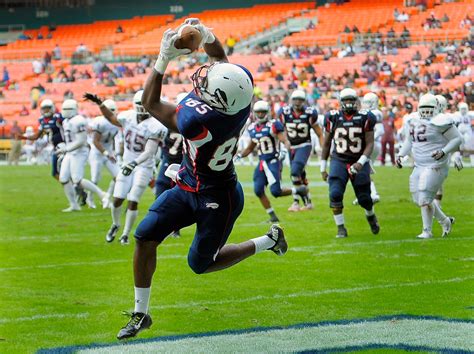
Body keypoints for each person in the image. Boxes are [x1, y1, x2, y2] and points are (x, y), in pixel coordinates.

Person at [116, 18, 287, 340]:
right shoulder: (240, 95)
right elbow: (220, 60)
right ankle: (141, 313)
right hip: (187, 184)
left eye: (207, 84)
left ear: (216, 99)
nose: (203, 78)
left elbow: (150, 103)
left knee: (201, 264)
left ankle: (268, 241)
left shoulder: (197, 120)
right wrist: (207, 35)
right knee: (144, 236)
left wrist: (163, 58)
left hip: (217, 196)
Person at [84, 90, 167, 245]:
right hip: (128, 163)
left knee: (133, 199)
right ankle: (115, 224)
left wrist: (134, 163)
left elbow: (149, 152)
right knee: (117, 199)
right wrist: (100, 104)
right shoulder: (127, 117)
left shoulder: (156, 125)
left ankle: (125, 234)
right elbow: (111, 118)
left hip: (143, 166)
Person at [396, 94, 462, 239]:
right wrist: (401, 154)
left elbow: (457, 138)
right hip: (419, 164)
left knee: (424, 198)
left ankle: (427, 231)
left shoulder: (442, 121)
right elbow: (409, 141)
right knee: (418, 198)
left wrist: (444, 151)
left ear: (436, 108)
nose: (426, 111)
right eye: (423, 108)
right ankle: (445, 221)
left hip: (436, 164)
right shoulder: (412, 119)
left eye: (429, 108)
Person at [320, 88, 380, 238]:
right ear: (340, 102)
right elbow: (326, 144)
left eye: (351, 100)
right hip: (339, 160)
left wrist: (361, 162)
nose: (348, 103)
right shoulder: (332, 117)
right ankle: (340, 227)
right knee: (335, 194)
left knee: (364, 198)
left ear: (356, 101)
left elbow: (370, 143)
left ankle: (370, 215)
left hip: (358, 159)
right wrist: (323, 167)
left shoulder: (365, 117)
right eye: (346, 100)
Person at [238, 100, 308, 223]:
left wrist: (285, 150)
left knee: (276, 191)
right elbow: (250, 148)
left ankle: (299, 190)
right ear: (254, 113)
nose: (260, 115)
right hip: (261, 162)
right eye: (258, 112)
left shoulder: (274, 125)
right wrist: (239, 155)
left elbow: (285, 140)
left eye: (262, 112)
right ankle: (273, 217)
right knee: (258, 190)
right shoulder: (252, 128)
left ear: (268, 112)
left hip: (273, 161)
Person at [56, 99, 109, 212]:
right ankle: (74, 205)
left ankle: (102, 194)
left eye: (68, 109)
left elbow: (81, 140)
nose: (65, 111)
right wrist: (64, 147)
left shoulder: (79, 120)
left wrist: (66, 149)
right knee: (63, 178)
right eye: (64, 109)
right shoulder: (66, 121)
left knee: (77, 179)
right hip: (70, 151)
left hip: (80, 151)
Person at [279, 89, 323, 211]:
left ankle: (296, 202)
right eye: (295, 99)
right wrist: (285, 141)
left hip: (304, 145)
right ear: (291, 100)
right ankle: (308, 203)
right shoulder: (284, 112)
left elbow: (319, 133)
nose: (297, 102)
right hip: (291, 146)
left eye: (300, 100)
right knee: (299, 174)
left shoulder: (309, 113)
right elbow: (281, 130)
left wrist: (322, 148)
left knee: (294, 172)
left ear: (304, 101)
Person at [86, 99, 120, 209]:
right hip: (97, 153)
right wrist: (106, 153)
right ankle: (89, 198)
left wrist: (113, 152)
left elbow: (113, 139)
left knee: (118, 176)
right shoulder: (100, 122)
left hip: (108, 153)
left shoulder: (116, 122)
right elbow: (96, 141)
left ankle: (107, 197)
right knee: (95, 178)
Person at [353, 92, 383, 205]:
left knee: (361, 170)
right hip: (373, 144)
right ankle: (366, 195)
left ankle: (371, 194)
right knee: (364, 171)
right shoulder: (371, 113)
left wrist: (368, 141)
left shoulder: (375, 113)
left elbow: (380, 130)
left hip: (372, 145)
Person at [23, 99, 65, 180]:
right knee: (55, 173)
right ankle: (70, 186)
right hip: (55, 147)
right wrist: (24, 137)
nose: (46, 110)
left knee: (62, 171)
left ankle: (72, 185)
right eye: (44, 108)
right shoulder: (42, 120)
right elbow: (37, 135)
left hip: (63, 146)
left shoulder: (58, 117)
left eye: (48, 108)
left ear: (52, 108)